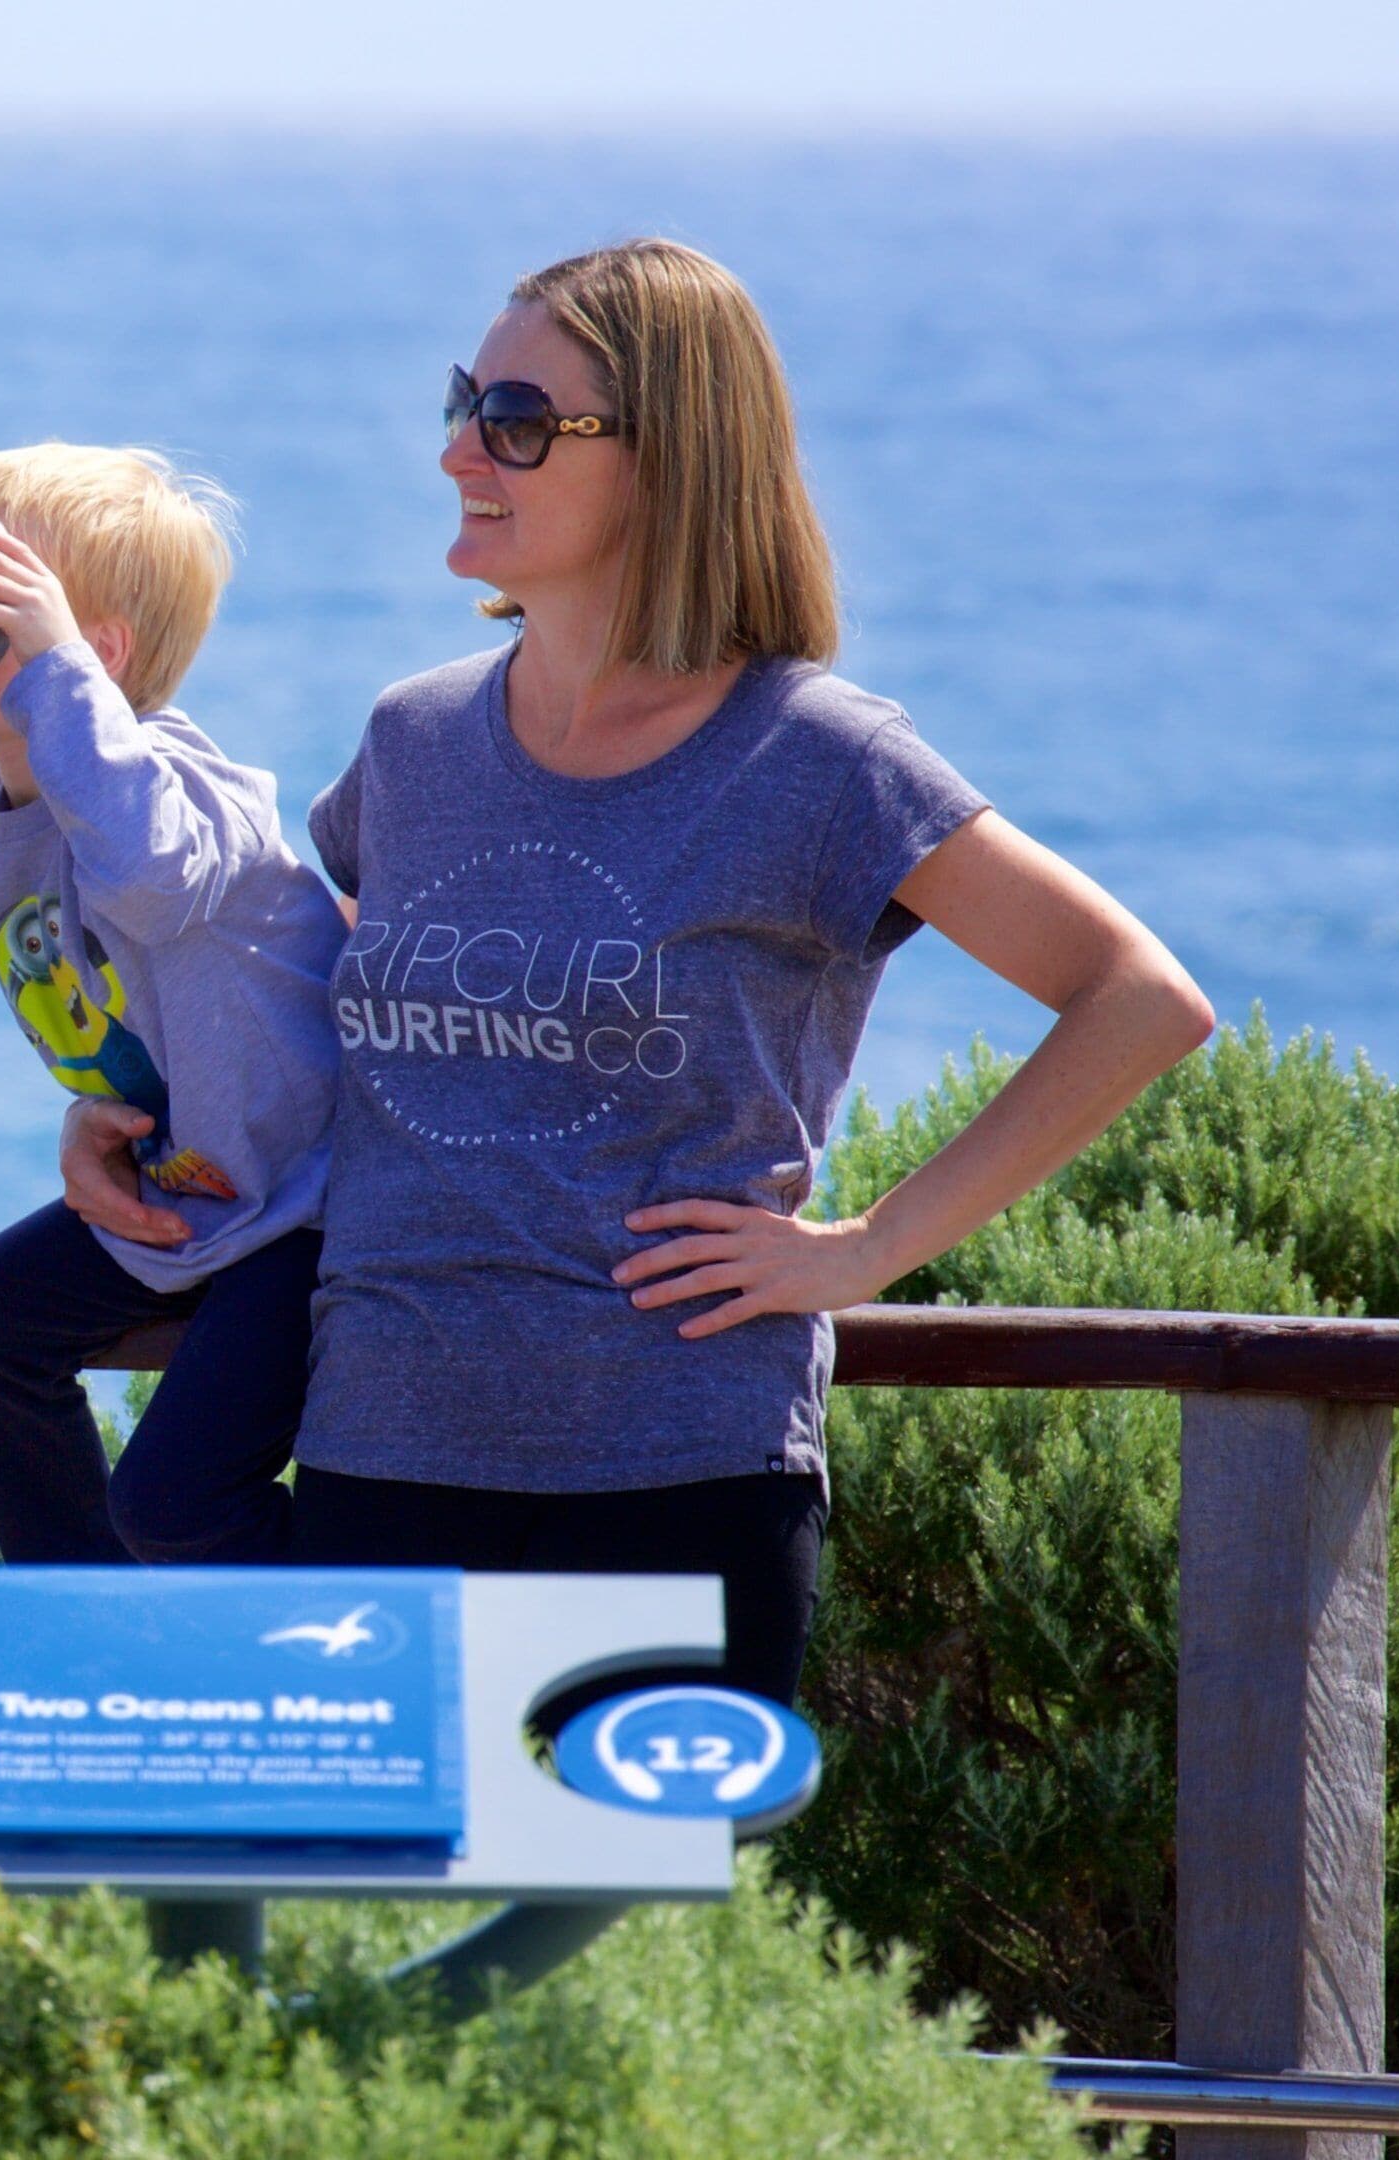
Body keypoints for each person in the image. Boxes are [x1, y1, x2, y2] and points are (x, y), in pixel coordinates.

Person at [59, 240, 1214, 1701]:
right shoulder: (414, 741)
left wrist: (861, 1252)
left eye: (521, 423)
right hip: (376, 1460)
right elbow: (315, 991)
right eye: (468, 402)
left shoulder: (817, 759)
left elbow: (1139, 999)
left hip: (680, 1481)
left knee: (643, 1929)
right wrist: (146, 1117)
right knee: (380, 1925)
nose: (460, 451)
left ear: (669, 462)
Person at [0, 442, 348, 1565]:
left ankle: (382, 1607)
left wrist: (55, 670)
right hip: (192, 1196)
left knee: (176, 1501)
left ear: (91, 657)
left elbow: (143, 875)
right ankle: (88, 1616)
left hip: (314, 1213)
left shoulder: (191, 790)